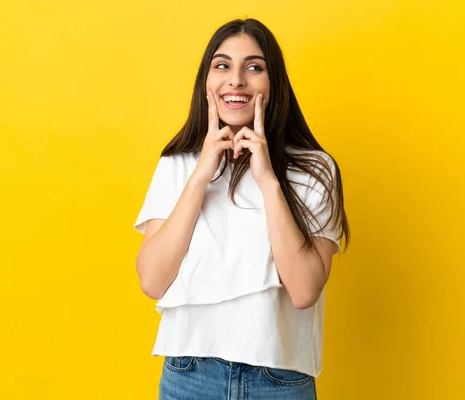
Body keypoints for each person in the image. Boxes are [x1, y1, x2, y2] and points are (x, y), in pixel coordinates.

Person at [134, 18, 350, 400]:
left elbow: (303, 291)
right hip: (190, 376)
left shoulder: (315, 169)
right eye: (222, 66)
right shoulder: (177, 166)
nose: (236, 80)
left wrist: (268, 180)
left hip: (279, 381)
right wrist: (201, 175)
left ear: (274, 83)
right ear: (207, 82)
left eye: (254, 67)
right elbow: (152, 280)